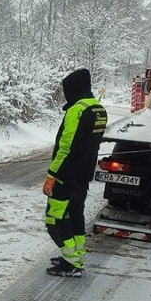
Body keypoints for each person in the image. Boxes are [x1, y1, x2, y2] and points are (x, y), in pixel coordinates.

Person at [43, 69, 107, 277]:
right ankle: (76, 255)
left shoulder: (77, 111)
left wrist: (52, 175)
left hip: (66, 177)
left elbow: (66, 147)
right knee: (75, 215)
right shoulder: (98, 109)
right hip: (82, 176)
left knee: (55, 219)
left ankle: (72, 262)